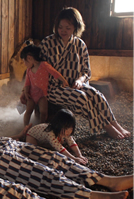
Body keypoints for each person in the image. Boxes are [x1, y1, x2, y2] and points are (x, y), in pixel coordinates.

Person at [0, 120, 132, 199]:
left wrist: (19, 136)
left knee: (53, 157)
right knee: (38, 172)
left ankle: (107, 180)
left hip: (5, 144)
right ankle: (91, 195)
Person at [38, 7, 130, 139]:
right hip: (55, 88)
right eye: (60, 27)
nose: (63, 31)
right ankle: (107, 127)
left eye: (68, 28)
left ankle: (115, 123)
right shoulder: (47, 43)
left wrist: (80, 81)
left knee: (96, 94)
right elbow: (38, 67)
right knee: (82, 98)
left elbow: (86, 71)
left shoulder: (80, 44)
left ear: (76, 27)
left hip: (76, 85)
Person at [19, 44, 69, 125]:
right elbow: (27, 83)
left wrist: (63, 81)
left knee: (44, 112)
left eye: (24, 61)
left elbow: (54, 73)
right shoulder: (29, 70)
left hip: (42, 95)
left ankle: (41, 127)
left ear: (29, 58)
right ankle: (25, 128)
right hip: (31, 95)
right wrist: (25, 92)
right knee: (28, 111)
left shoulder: (44, 65)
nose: (24, 64)